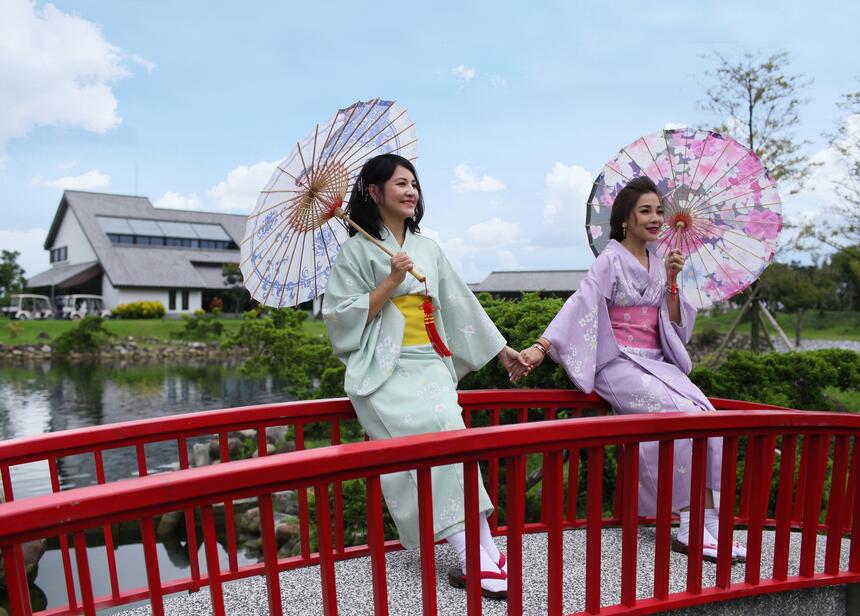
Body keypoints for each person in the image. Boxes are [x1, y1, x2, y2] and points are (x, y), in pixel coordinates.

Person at [322, 153, 529, 598]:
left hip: (429, 365)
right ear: (373, 192)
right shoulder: (356, 251)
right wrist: (390, 282)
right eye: (399, 184)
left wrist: (502, 350)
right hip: (384, 370)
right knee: (431, 444)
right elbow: (340, 321)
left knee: (453, 441)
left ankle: (485, 549)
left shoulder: (428, 247)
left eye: (414, 183)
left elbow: (459, 304)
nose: (411, 191)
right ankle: (473, 556)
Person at [520, 176, 746, 563]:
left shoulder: (661, 264)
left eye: (660, 211)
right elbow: (581, 304)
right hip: (619, 361)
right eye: (646, 211)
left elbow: (674, 325)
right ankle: (690, 527)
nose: (656, 218)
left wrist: (673, 281)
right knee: (683, 417)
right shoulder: (610, 260)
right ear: (625, 219)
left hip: (656, 361)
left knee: (708, 418)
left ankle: (708, 526)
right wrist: (543, 346)